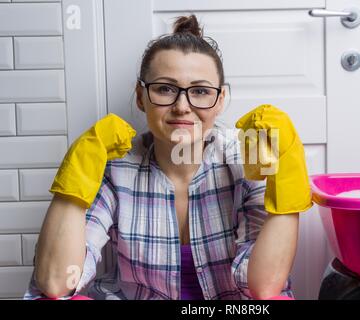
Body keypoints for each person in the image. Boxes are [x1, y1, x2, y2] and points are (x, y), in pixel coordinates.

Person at [24, 15, 312, 300]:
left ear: (220, 100)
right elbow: (56, 282)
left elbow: (264, 288)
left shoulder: (245, 161)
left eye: (200, 91)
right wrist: (76, 174)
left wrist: (287, 175)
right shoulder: (114, 167)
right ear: (141, 96)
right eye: (165, 89)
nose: (182, 106)